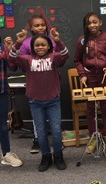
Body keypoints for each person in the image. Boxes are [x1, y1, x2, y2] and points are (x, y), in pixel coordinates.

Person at [8, 29, 68, 172]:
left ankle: (58, 155)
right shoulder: (28, 59)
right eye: (37, 45)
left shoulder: (54, 57)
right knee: (40, 132)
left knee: (56, 130)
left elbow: (66, 54)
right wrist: (18, 42)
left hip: (53, 100)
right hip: (36, 102)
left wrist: (58, 40)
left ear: (49, 46)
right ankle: (46, 156)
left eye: (43, 45)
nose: (40, 47)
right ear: (33, 47)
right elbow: (11, 58)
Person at [73, 12, 106, 154]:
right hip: (89, 77)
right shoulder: (82, 40)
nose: (92, 25)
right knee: (91, 108)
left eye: (95, 22)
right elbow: (77, 60)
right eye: (89, 23)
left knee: (105, 106)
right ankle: (93, 138)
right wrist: (82, 74)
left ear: (100, 22)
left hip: (104, 76)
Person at [15, 12, 60, 154]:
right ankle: (40, 145)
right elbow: (19, 62)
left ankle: (58, 152)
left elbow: (60, 57)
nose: (40, 27)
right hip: (35, 88)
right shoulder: (26, 43)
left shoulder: (52, 40)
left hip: (52, 85)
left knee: (56, 127)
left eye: (42, 25)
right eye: (37, 25)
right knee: (39, 127)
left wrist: (58, 41)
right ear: (31, 28)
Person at [0, 37, 23, 168]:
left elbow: (13, 68)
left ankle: (6, 154)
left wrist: (10, 49)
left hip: (2, 91)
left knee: (3, 125)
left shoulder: (2, 46)